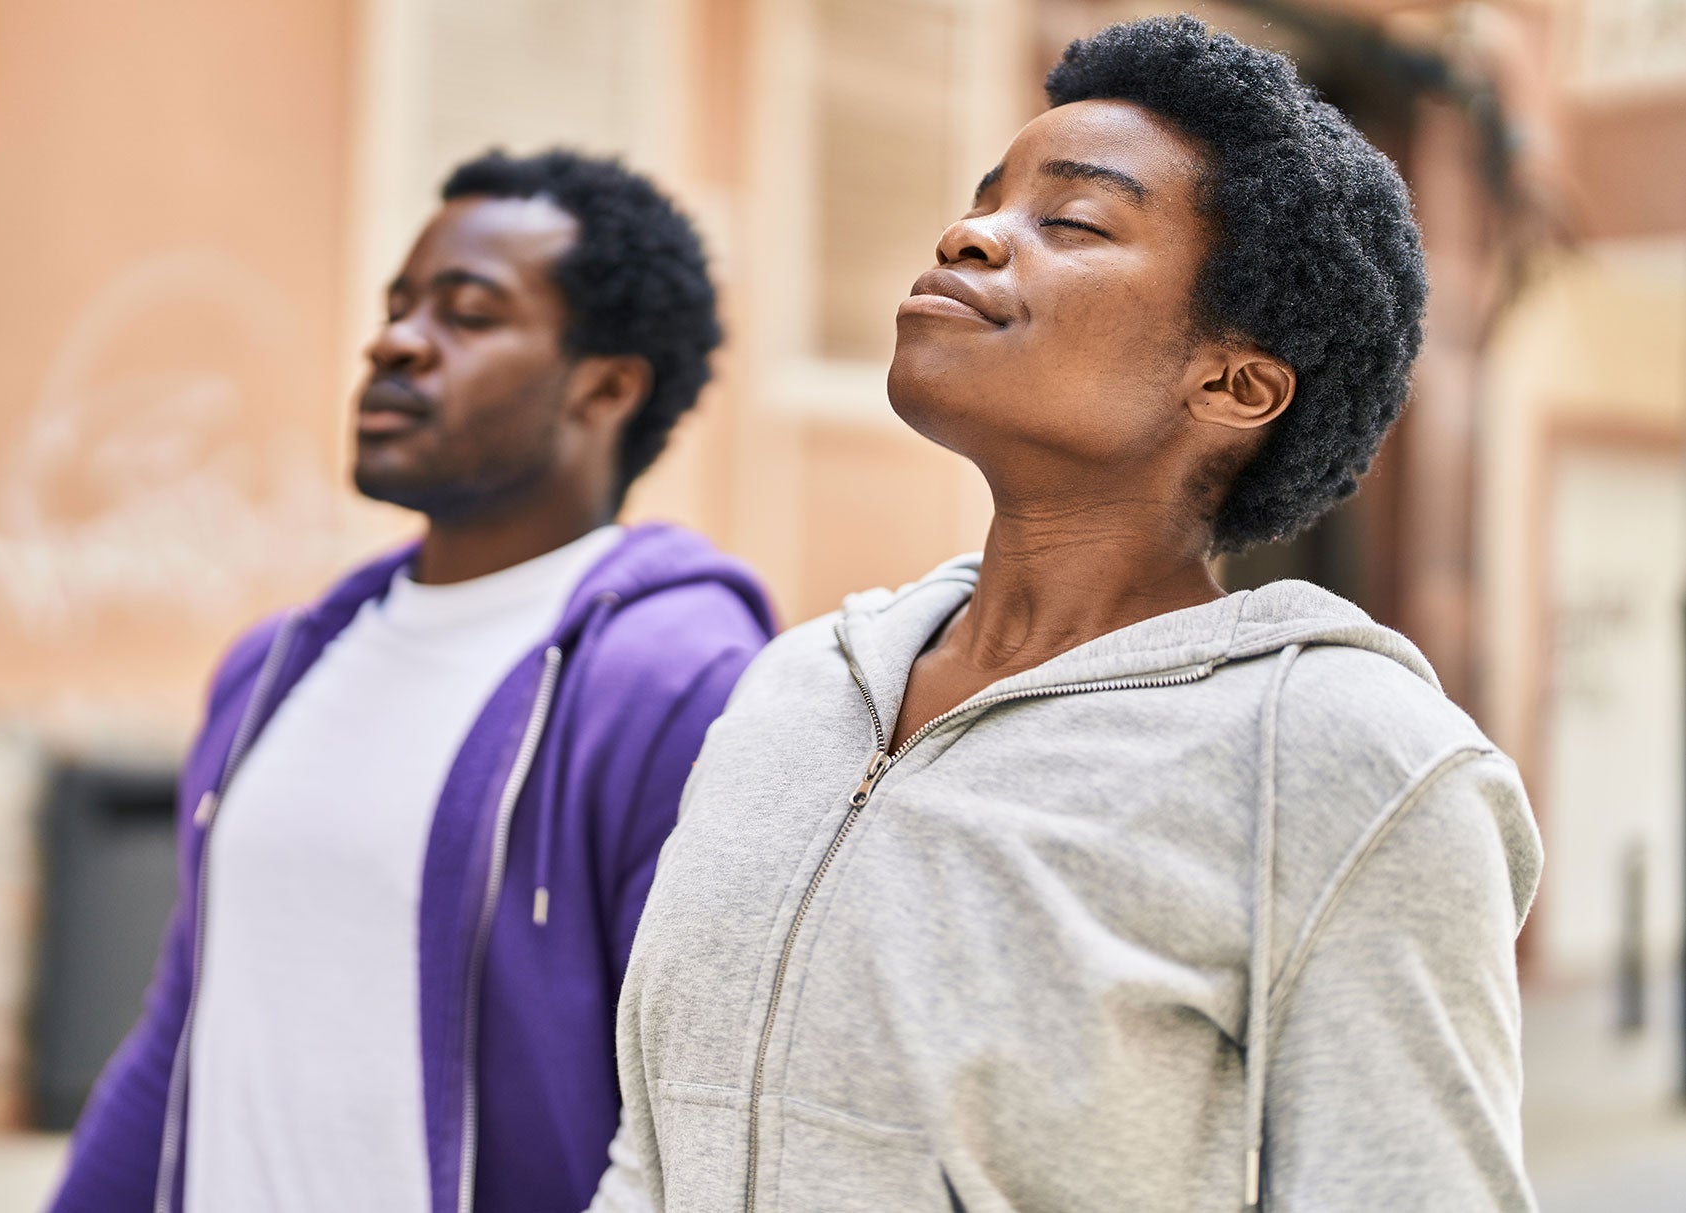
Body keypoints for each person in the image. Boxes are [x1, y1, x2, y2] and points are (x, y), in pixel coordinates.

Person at [590, 16, 1540, 1212]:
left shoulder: (1345, 762)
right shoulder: (795, 688)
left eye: (1073, 221)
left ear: (1233, 384)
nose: (969, 235)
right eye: (984, 200)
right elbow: (654, 1146)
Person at [50, 150, 776, 1213]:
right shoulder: (274, 666)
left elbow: (699, 1110)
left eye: (467, 314)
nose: (394, 341)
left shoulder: (674, 684)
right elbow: (186, 1028)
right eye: (399, 306)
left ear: (606, 386)